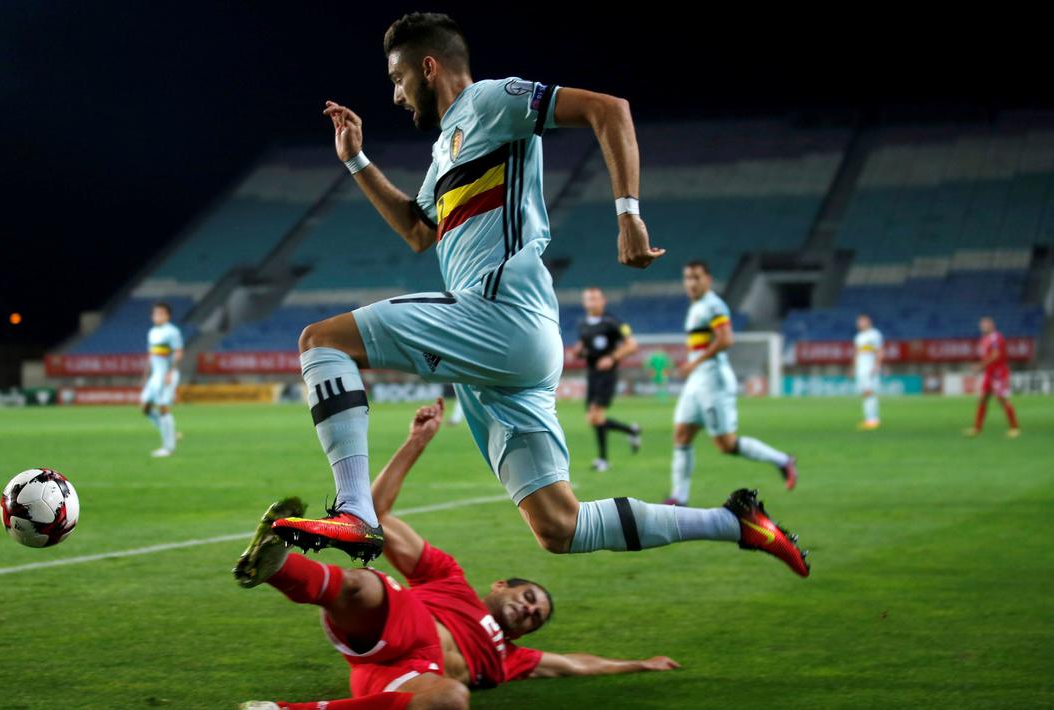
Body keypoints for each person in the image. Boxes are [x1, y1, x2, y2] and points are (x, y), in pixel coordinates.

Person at [276, 12, 761, 567]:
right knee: (559, 525)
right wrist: (357, 161)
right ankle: (736, 523)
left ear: (428, 68)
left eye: (397, 78)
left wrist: (628, 214)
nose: (395, 95)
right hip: (506, 348)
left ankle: (356, 510)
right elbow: (417, 231)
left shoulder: (488, 101)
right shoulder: (444, 153)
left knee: (322, 340)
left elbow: (609, 109)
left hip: (499, 312)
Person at [237, 399, 808, 710]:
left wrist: (639, 663)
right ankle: (277, 562)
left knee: (452, 701)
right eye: (532, 597)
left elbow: (576, 664)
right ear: (503, 585)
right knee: (365, 584)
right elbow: (378, 518)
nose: (533, 611)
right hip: (391, 624)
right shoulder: (449, 580)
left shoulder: (509, 660)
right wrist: (416, 443)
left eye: (538, 616)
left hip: (394, 681)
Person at [666, 261, 797, 506]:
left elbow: (726, 339)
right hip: (697, 381)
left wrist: (695, 364)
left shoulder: (714, 305)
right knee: (682, 435)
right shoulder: (698, 306)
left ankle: (783, 460)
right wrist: (693, 365)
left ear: (708, 279)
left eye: (696, 277)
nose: (691, 283)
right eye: (687, 278)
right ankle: (679, 498)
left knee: (726, 444)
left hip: (713, 380)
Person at [573, 286, 641, 472]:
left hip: (607, 375)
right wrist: (578, 351)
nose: (592, 302)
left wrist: (612, 358)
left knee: (595, 416)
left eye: (596, 298)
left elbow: (632, 345)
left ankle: (603, 460)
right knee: (593, 419)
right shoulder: (583, 324)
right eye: (589, 299)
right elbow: (585, 347)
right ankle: (631, 431)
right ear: (584, 302)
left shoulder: (612, 322)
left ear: (603, 301)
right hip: (592, 375)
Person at [965, 316, 1020, 438]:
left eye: (985, 324)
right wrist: (982, 366)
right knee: (982, 398)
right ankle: (977, 428)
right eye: (982, 324)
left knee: (1002, 399)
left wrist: (979, 366)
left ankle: (1014, 428)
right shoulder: (985, 339)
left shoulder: (996, 338)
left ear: (992, 325)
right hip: (989, 373)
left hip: (998, 372)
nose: (983, 327)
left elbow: (996, 355)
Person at [140, 302, 183, 457]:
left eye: (161, 313)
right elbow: (151, 356)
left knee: (163, 407)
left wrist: (171, 372)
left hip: (167, 375)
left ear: (167, 315)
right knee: (145, 407)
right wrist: (146, 376)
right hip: (155, 376)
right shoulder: (152, 333)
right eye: (155, 313)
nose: (157, 316)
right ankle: (172, 434)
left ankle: (168, 447)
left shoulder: (172, 332)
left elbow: (178, 353)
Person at [854, 314, 884, 430]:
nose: (859, 324)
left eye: (861, 321)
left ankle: (873, 420)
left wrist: (876, 366)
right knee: (865, 394)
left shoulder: (875, 334)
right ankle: (869, 419)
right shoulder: (858, 337)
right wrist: (854, 368)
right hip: (861, 369)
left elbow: (880, 350)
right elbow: (856, 354)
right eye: (858, 322)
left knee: (870, 392)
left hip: (870, 368)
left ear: (868, 321)